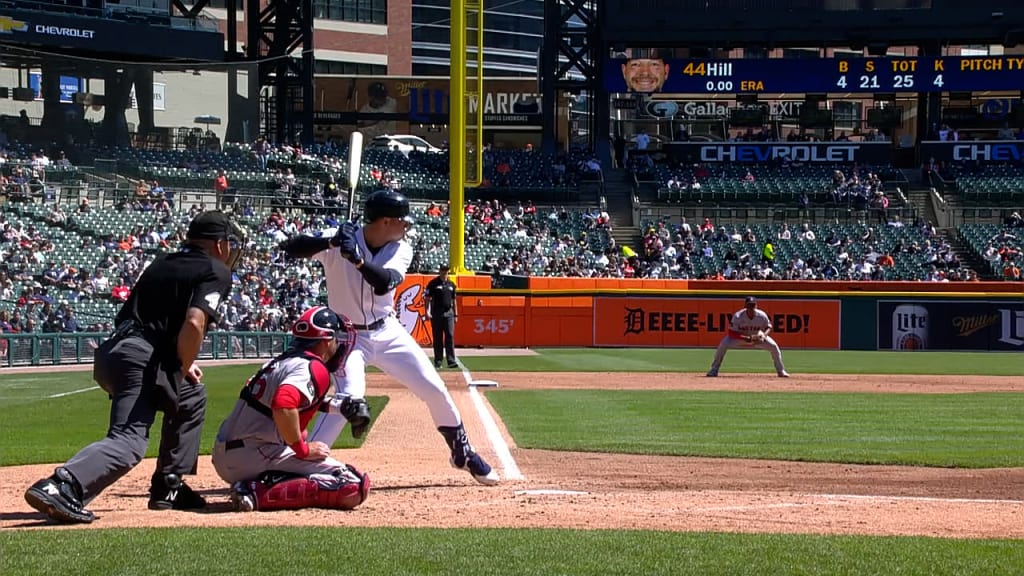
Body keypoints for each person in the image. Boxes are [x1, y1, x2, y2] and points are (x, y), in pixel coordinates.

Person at [24, 211, 242, 524]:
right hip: (140, 359)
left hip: (118, 351)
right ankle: (62, 485)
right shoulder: (216, 270)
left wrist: (178, 366)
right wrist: (184, 361)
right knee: (129, 441)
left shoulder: (163, 262)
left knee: (191, 395)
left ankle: (169, 485)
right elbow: (194, 322)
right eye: (229, 244)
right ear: (219, 244)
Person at [279, 189, 499, 485]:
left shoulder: (401, 248)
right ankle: (296, 465)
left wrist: (356, 260)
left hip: (387, 331)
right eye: (401, 221)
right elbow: (291, 247)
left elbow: (384, 283)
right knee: (349, 399)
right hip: (347, 338)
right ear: (384, 221)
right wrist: (329, 242)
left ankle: (462, 452)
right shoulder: (339, 236)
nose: (405, 226)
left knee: (434, 388)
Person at [212, 306, 370, 512]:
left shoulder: (280, 362)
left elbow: (294, 402)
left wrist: (340, 407)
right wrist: (302, 450)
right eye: (336, 339)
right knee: (352, 484)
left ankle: (256, 484)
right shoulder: (313, 367)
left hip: (231, 453)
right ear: (325, 341)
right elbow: (284, 403)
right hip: (255, 453)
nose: (339, 345)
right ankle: (254, 492)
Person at [706, 297, 790, 378]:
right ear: (745, 306)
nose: (751, 307)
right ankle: (714, 370)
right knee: (723, 345)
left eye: (753, 305)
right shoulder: (738, 316)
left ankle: (781, 371)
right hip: (739, 337)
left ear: (756, 306)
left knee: (774, 347)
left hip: (757, 338)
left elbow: (769, 327)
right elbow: (731, 333)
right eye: (749, 305)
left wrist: (764, 336)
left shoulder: (761, 315)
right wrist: (745, 338)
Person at [424, 263, 459, 369]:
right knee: (438, 337)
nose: (445, 272)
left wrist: (456, 314)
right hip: (437, 313)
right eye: (443, 270)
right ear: (440, 271)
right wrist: (426, 311)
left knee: (450, 336)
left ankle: (451, 360)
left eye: (446, 270)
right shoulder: (433, 284)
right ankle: (438, 361)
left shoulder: (451, 285)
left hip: (449, 313)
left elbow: (454, 301)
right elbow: (427, 298)